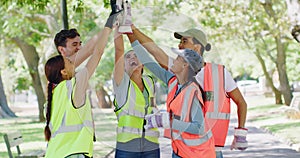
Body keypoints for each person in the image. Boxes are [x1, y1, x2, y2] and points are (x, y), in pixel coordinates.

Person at [129, 24, 248, 158]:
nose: (180, 45)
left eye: (184, 41)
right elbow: (152, 55)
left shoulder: (216, 75)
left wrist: (240, 134)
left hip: (207, 151)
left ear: (196, 48)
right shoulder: (175, 78)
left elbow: (240, 102)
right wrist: (130, 31)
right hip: (180, 150)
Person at [43, 0, 121, 157]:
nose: (75, 60)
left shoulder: (55, 89)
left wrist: (111, 22)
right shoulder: (74, 84)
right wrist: (111, 21)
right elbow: (96, 53)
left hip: (57, 153)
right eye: (74, 45)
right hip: (73, 152)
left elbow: (91, 49)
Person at [127, 31, 216, 157]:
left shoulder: (193, 92)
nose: (174, 61)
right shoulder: (173, 81)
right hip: (180, 151)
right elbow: (148, 62)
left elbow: (199, 128)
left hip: (198, 154)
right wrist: (129, 35)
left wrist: (166, 121)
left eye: (178, 59)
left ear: (185, 65)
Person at [112, 31, 160, 157]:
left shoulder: (149, 82)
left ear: (143, 62)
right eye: (128, 57)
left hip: (151, 143)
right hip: (127, 145)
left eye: (136, 55)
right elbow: (118, 52)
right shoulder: (121, 83)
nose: (133, 58)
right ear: (123, 64)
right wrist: (118, 31)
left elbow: (153, 106)